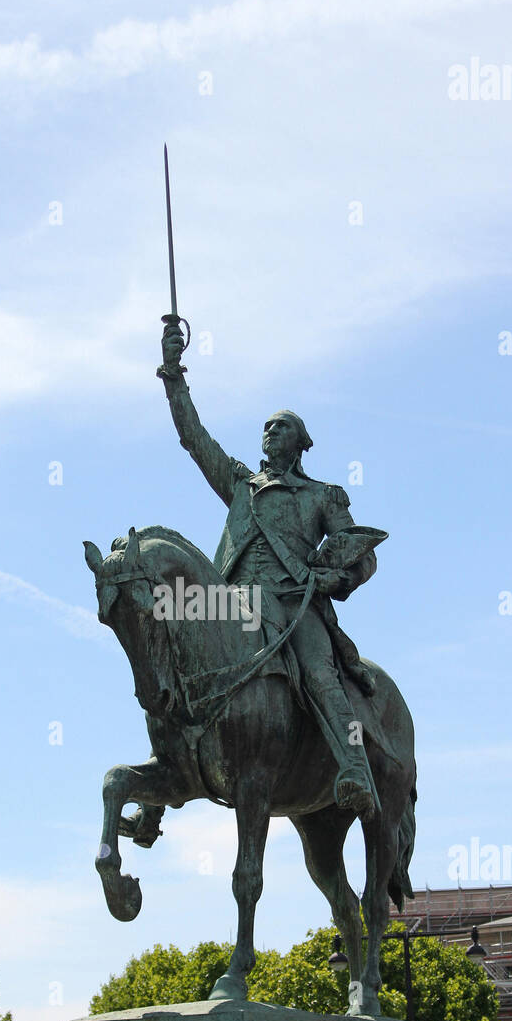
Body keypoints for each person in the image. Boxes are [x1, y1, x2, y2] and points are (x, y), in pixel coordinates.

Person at [158, 320, 380, 819]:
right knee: (171, 661)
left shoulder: (323, 496)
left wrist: (335, 579)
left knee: (321, 676)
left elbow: (359, 553)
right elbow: (195, 438)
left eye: (280, 426)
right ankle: (163, 777)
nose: (269, 431)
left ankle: (354, 768)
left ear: (301, 442)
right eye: (266, 426)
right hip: (228, 602)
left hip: (291, 602)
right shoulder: (240, 484)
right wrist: (173, 375)